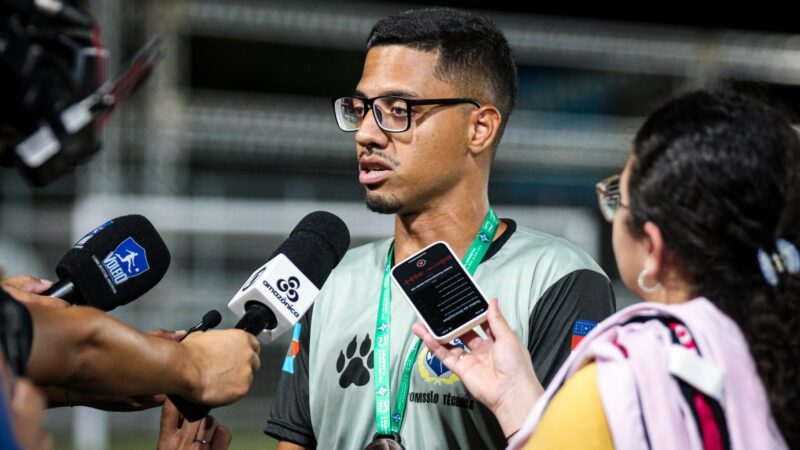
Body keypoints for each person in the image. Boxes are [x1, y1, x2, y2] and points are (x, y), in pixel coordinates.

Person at [265, 7, 615, 450]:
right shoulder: (333, 280)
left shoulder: (559, 279)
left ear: (480, 128)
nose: (366, 133)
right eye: (362, 109)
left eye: (397, 109)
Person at [415, 90, 799, 449]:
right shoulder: (778, 348)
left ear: (653, 248)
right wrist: (515, 397)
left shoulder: (624, 383)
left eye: (619, 199)